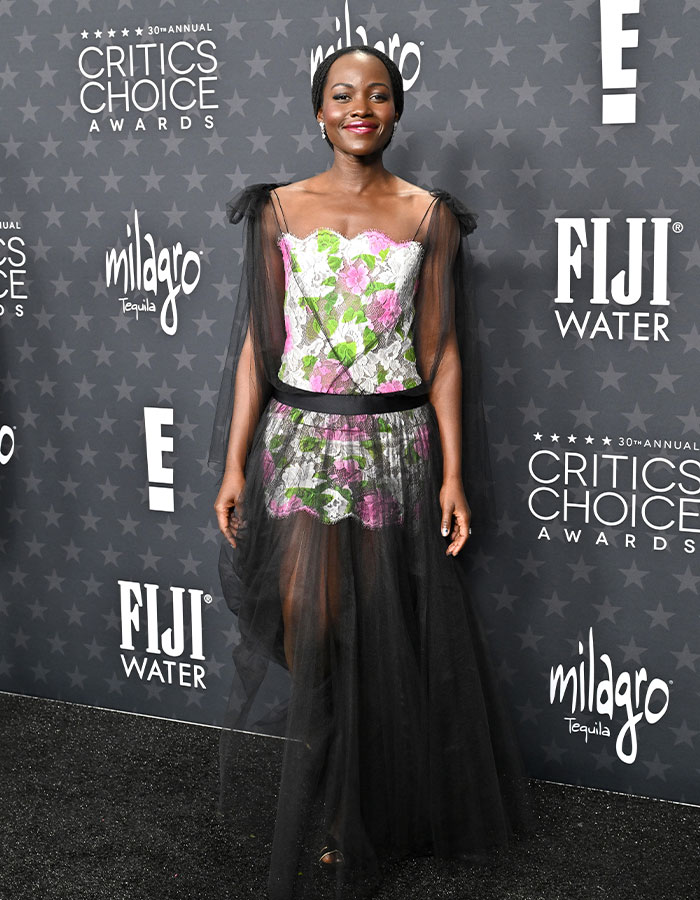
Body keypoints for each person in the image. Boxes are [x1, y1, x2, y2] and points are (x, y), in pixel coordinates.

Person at [208, 44, 537, 900]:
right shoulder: (278, 210)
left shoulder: (431, 217)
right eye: (344, 94)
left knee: (376, 642)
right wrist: (235, 462)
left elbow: (443, 352)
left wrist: (457, 474)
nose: (362, 107)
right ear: (318, 110)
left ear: (397, 112)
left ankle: (354, 821)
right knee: (314, 632)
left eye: (379, 95)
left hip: (394, 450)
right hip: (301, 444)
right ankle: (331, 801)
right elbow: (258, 346)